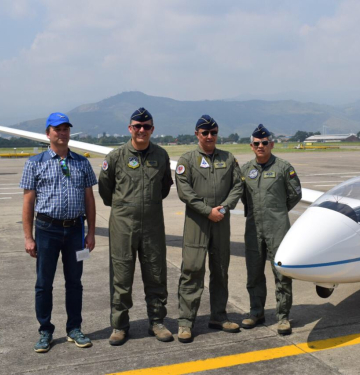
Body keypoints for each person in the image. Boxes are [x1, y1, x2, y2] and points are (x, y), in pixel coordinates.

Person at [20, 112, 97, 353]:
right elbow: (28, 202)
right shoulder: (35, 163)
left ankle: (74, 328)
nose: (62, 133)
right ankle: (45, 331)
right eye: (57, 129)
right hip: (46, 230)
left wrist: (91, 232)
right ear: (48, 134)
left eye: (65, 129)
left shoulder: (81, 162)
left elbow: (89, 199)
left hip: (75, 230)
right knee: (44, 283)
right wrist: (28, 237)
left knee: (74, 282)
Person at [98, 108, 173, 346]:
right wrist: (125, 207)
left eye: (147, 126)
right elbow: (105, 190)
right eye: (137, 126)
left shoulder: (161, 155)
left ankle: (157, 322)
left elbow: (164, 188)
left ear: (152, 129)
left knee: (156, 273)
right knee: (121, 275)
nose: (142, 130)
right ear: (130, 129)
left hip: (152, 225)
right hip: (123, 225)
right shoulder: (116, 156)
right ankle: (119, 326)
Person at [175, 114, 243, 343]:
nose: (210, 136)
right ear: (197, 134)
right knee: (192, 271)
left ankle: (219, 316)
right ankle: (185, 322)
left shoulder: (229, 158)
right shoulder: (187, 161)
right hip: (198, 223)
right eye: (205, 133)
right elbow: (185, 192)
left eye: (213, 132)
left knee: (220, 269)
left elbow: (237, 186)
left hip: (221, 222)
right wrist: (208, 211)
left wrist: (224, 208)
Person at [240, 124, 302, 335]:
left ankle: (283, 316)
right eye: (257, 143)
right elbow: (243, 198)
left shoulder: (284, 168)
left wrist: (278, 212)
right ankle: (256, 312)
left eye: (264, 143)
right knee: (254, 272)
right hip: (253, 227)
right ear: (251, 146)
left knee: (281, 272)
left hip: (278, 228)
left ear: (271, 144)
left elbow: (295, 194)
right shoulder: (246, 170)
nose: (261, 146)